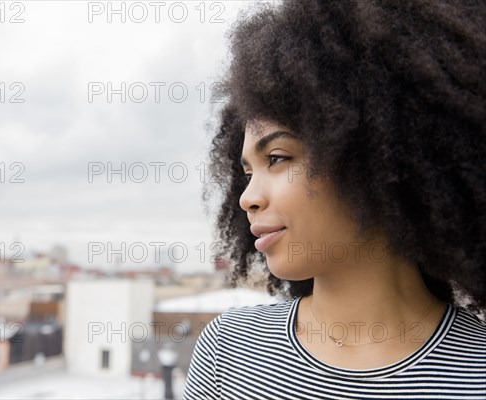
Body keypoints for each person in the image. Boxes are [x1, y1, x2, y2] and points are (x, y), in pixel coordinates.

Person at [184, 0, 486, 399]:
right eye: (247, 172)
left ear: (376, 157)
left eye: (277, 158)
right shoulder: (229, 352)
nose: (248, 199)